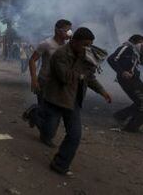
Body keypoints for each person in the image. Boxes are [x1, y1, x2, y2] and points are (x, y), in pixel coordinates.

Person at [27, 27, 112, 176]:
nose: (87, 48)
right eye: (84, 44)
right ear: (74, 41)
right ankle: (35, 113)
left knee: (75, 135)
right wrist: (85, 64)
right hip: (56, 99)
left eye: (89, 45)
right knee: (48, 133)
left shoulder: (84, 55)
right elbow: (66, 78)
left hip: (73, 101)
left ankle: (60, 164)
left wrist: (103, 92)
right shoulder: (60, 54)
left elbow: (89, 78)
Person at [23, 20, 73, 141]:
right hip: (45, 81)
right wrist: (34, 80)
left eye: (70, 30)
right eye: (66, 30)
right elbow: (32, 60)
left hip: (60, 83)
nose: (69, 33)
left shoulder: (69, 46)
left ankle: (35, 115)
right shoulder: (46, 43)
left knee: (55, 112)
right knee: (46, 112)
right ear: (57, 30)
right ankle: (44, 133)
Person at [108, 34, 143, 132]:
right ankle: (131, 127)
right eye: (141, 42)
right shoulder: (126, 47)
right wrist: (122, 72)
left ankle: (120, 116)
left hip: (135, 79)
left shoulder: (135, 52)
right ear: (134, 41)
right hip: (127, 80)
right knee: (141, 102)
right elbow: (111, 59)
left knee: (139, 102)